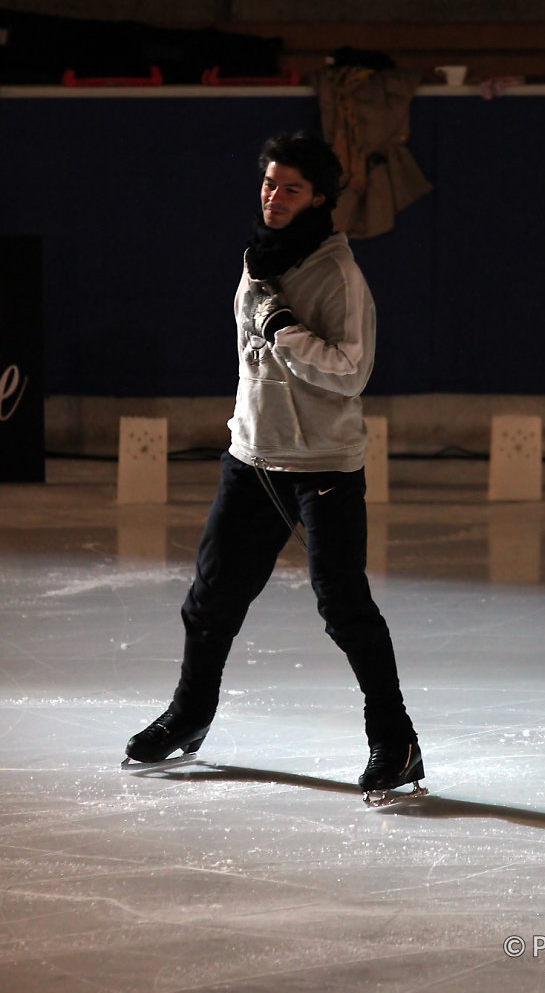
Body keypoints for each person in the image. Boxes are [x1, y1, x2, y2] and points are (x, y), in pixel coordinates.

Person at [125, 131, 424, 796]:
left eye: (290, 188)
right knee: (208, 602)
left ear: (319, 197)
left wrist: (282, 326)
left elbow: (349, 373)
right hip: (253, 459)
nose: (274, 197)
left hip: (322, 466)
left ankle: (395, 741)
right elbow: (251, 351)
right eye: (268, 183)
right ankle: (189, 716)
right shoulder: (259, 258)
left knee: (344, 610)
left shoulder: (338, 275)